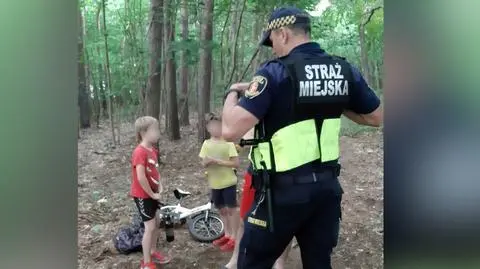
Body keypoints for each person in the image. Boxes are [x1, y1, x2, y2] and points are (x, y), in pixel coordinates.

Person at [221, 6, 383, 269]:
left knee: (251, 262)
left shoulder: (273, 72)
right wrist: (328, 98)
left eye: (272, 40)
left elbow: (229, 130)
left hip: (281, 194)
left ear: (283, 33)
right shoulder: (342, 69)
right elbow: (376, 117)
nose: (272, 48)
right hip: (327, 192)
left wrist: (232, 92)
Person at [224, 130, 292, 269]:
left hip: (288, 170)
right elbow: (243, 134)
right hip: (257, 170)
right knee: (245, 218)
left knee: (286, 223)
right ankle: (235, 260)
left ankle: (279, 263)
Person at [130, 116, 171, 269]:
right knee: (150, 227)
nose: (158, 133)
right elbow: (141, 177)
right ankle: (146, 262)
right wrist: (152, 194)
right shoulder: (139, 152)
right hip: (143, 195)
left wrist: (160, 186)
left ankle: (153, 251)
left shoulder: (152, 150)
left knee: (157, 222)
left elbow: (155, 171)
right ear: (143, 132)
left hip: (154, 193)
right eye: (155, 130)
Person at [199, 112, 240, 252]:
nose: (215, 128)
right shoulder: (206, 144)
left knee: (231, 209)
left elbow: (236, 163)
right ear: (208, 128)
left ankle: (235, 237)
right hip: (214, 183)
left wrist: (217, 161)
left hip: (228, 182)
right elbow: (203, 162)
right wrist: (207, 162)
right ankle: (227, 234)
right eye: (212, 126)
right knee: (222, 209)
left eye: (218, 125)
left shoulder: (228, 143)